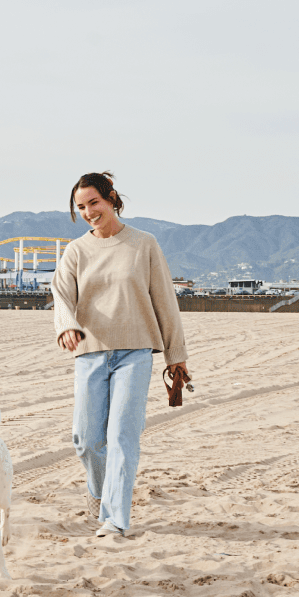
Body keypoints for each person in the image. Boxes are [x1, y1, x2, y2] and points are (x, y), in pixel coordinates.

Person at [52, 172, 189, 539]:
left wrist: (175, 355)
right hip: (90, 352)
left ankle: (115, 519)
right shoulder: (77, 251)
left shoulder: (144, 244)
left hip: (135, 352)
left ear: (111, 197)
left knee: (122, 436)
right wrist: (66, 325)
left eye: (93, 203)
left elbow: (165, 300)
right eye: (80, 207)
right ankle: (99, 494)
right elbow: (61, 294)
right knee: (85, 438)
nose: (88, 212)